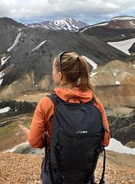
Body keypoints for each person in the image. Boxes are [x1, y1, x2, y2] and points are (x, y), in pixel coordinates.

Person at [28, 51, 110, 184]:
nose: (52, 73)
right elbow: (105, 141)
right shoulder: (95, 103)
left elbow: (34, 141)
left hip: (55, 176)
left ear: (60, 76)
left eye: (53, 70)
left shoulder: (47, 103)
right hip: (85, 176)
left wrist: (53, 139)